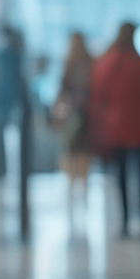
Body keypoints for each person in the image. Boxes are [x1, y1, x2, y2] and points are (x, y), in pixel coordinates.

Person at [88, 22, 140, 237]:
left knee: (120, 176)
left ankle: (123, 221)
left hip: (114, 127)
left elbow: (96, 98)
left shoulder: (104, 64)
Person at [50, 32, 93, 218]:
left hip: (79, 113)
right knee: (78, 150)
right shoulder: (88, 62)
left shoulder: (73, 63)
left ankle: (75, 184)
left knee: (73, 150)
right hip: (83, 112)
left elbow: (62, 90)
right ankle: (79, 184)